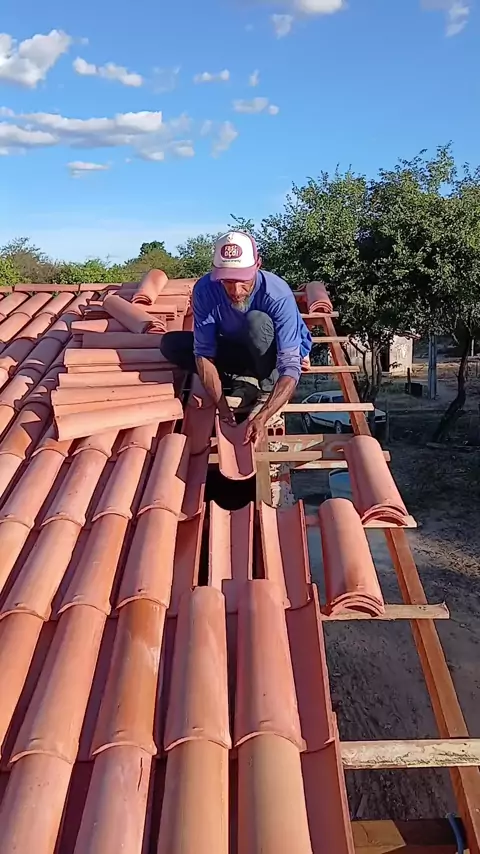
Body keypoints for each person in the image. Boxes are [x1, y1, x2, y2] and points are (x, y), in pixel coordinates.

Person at [160, 231, 312, 446]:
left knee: (256, 321)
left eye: (243, 281)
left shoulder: (277, 293)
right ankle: (245, 380)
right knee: (172, 344)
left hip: (273, 354)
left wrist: (263, 416)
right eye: (228, 281)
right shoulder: (204, 290)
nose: (236, 291)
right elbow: (203, 354)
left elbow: (290, 366)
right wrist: (222, 407)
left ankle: (266, 390)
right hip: (239, 348)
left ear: (258, 265)